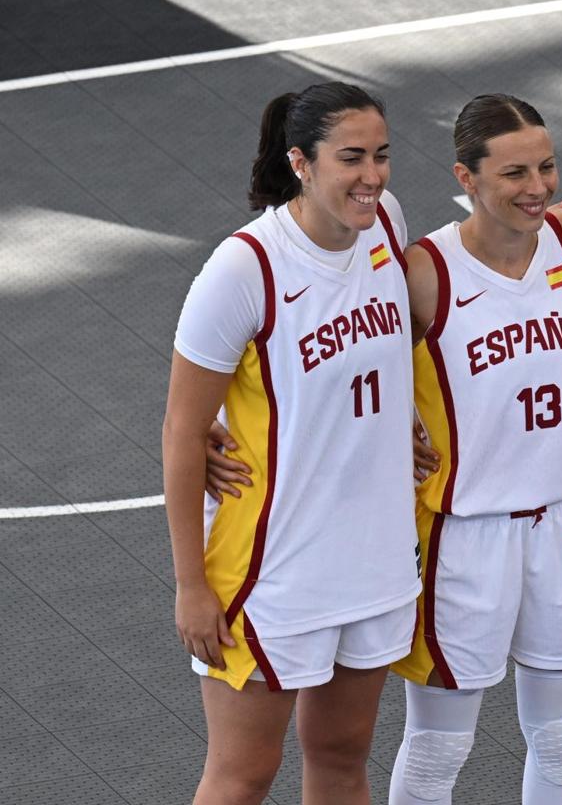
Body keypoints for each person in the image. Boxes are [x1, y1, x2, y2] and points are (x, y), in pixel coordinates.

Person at [163, 81, 420, 805]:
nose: (372, 176)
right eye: (351, 158)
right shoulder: (245, 268)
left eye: (381, 155)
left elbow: (382, 345)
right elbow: (185, 430)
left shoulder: (387, 225)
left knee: (343, 757)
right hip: (274, 566)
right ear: (301, 162)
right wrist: (190, 586)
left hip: (371, 555)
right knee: (244, 776)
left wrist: (400, 417)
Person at [387, 94, 562, 805]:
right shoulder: (426, 271)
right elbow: (342, 358)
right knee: (436, 752)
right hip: (467, 534)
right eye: (514, 173)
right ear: (467, 177)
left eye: (546, 168)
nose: (537, 187)